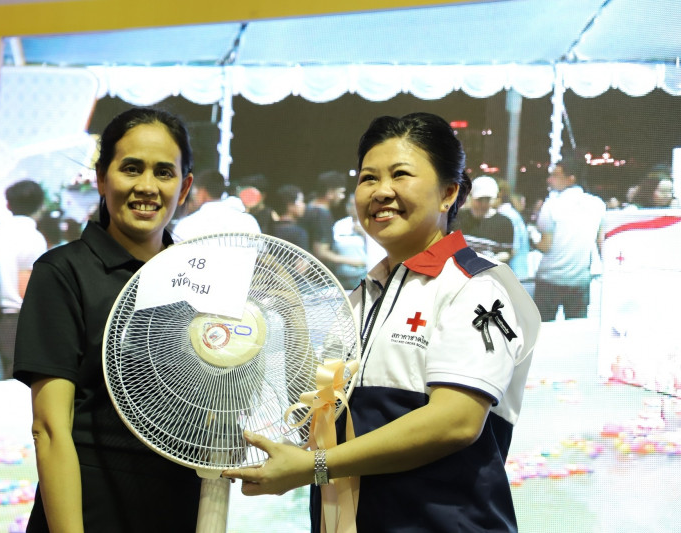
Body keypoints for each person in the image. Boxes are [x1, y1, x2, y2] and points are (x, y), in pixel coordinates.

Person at [223, 112, 541, 532]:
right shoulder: (362, 297)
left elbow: (457, 421)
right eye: (368, 178)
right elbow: (320, 413)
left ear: (449, 192)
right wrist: (292, 318)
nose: (381, 191)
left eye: (400, 174)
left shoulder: (474, 287)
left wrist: (315, 466)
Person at [12, 107, 202, 532]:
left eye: (164, 173)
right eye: (131, 168)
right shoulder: (63, 272)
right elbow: (50, 429)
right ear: (101, 178)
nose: (147, 186)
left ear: (185, 186)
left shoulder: (204, 283)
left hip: (179, 508)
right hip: (87, 511)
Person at [0, 179, 47, 379]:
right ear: (39, 205)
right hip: (22, 318)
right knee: (20, 378)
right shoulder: (34, 238)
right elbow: (26, 286)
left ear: (8, 204)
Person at [533, 155, 606, 321]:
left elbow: (545, 246)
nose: (549, 179)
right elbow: (600, 242)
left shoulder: (551, 205)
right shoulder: (598, 204)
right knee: (576, 329)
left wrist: (532, 236)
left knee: (542, 328)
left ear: (571, 178)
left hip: (549, 279)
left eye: (555, 175)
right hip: (580, 280)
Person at [301, 170, 365, 275]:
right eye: (341, 192)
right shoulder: (322, 214)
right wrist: (354, 262)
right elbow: (321, 252)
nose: (342, 197)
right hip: (315, 275)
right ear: (330, 193)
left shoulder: (309, 208)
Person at [171, 168, 260, 240]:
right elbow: (262, 251)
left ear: (202, 192)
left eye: (194, 192)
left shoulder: (187, 225)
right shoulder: (249, 221)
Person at [453, 175, 514, 264]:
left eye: (487, 200)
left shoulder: (504, 223)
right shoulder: (458, 217)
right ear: (470, 197)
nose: (483, 204)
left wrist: (490, 261)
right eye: (480, 200)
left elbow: (507, 252)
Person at [495, 179, 531, 285]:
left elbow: (513, 249)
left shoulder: (507, 216)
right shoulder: (511, 213)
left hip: (515, 276)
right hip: (517, 274)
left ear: (500, 195)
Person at [331, 193, 369, 290]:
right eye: (350, 204)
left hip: (363, 275)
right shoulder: (339, 225)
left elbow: (377, 250)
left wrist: (364, 234)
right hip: (341, 276)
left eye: (356, 205)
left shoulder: (370, 224)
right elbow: (333, 248)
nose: (353, 208)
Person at [267, 183, 310, 251]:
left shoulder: (269, 228)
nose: (303, 205)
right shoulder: (298, 233)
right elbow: (301, 258)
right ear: (290, 205)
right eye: (301, 201)